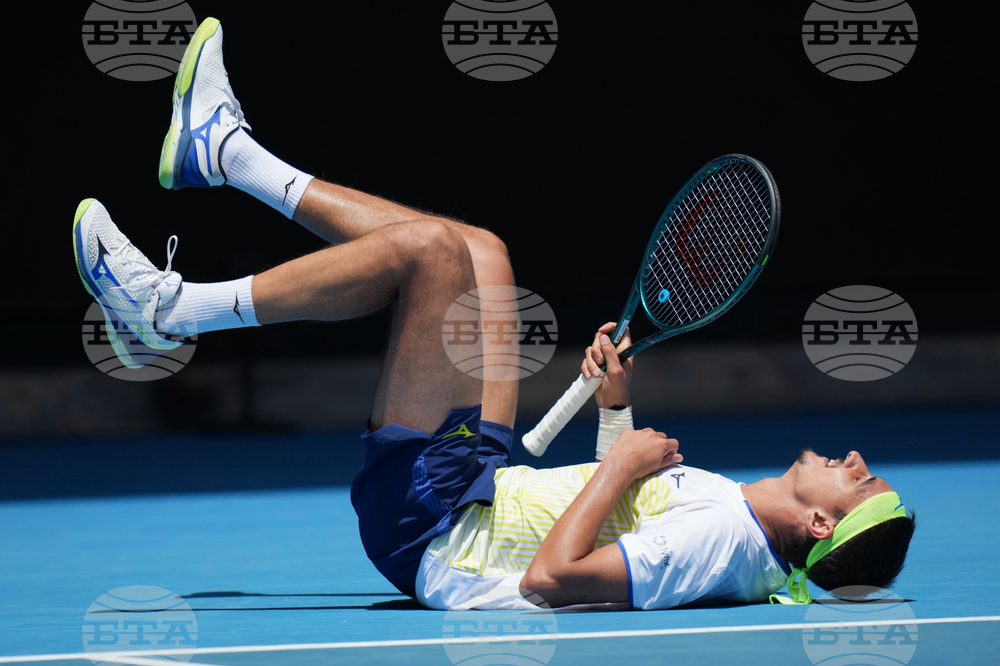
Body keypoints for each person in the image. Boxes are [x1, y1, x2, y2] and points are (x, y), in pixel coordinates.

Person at [73, 18, 915, 610]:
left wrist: (622, 466)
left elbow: (555, 580)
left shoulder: (724, 546)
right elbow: (615, 519)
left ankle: (170, 313)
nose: (855, 458)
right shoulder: (736, 527)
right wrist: (616, 414)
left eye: (862, 480)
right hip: (480, 489)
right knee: (484, 252)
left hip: (436, 533)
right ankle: (224, 152)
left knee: (431, 253)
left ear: (819, 524)